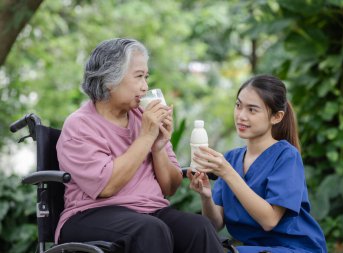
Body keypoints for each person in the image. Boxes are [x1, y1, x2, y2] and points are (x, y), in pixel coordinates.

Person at [55, 38, 224, 253]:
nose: (145, 87)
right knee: (150, 229)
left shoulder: (143, 118)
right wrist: (145, 137)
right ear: (109, 79)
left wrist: (158, 146)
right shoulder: (80, 125)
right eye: (138, 77)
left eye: (146, 77)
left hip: (149, 212)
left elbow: (170, 188)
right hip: (91, 213)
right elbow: (106, 187)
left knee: (198, 227)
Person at [187, 74, 328, 253]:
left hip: (293, 249)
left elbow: (269, 220)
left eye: (252, 110)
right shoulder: (231, 159)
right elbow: (215, 224)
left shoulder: (286, 156)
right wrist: (205, 196)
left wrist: (228, 173)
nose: (241, 116)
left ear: (276, 117)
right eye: (238, 106)